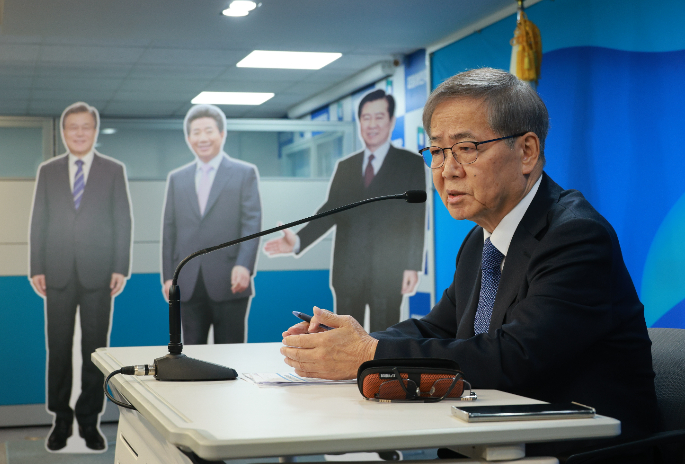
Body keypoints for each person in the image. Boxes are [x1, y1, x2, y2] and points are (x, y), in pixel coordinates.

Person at [280, 68, 658, 459]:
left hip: (571, 452)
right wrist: (344, 341)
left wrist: (367, 353)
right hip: (490, 442)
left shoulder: (575, 235)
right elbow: (435, 327)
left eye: (466, 148)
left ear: (527, 151)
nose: (447, 171)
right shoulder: (481, 240)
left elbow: (512, 358)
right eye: (438, 151)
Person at [264, 89, 426, 332]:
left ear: (391, 121)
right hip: (347, 271)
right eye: (366, 118)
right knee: (344, 338)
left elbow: (416, 218)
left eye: (379, 117)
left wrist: (412, 265)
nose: (372, 124)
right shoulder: (346, 167)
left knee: (385, 338)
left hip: (388, 269)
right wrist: (299, 240)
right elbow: (330, 211)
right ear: (359, 122)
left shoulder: (410, 163)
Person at [29, 102, 132, 452]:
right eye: (72, 126)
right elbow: (38, 220)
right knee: (57, 349)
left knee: (95, 350)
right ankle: (60, 419)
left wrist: (121, 266)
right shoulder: (49, 171)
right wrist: (36, 266)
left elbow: (122, 220)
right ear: (63, 131)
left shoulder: (113, 170)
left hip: (99, 274)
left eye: (85, 126)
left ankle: (89, 420)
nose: (78, 132)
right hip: (55, 272)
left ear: (95, 130)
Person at [161, 104, 261, 345]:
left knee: (232, 355)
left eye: (208, 131)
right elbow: (169, 230)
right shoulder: (177, 178)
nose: (202, 138)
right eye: (196, 132)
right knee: (192, 355)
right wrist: (167, 276)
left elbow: (252, 222)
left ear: (222, 134)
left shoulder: (244, 173)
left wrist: (244, 266)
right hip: (187, 281)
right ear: (188, 138)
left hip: (230, 280)